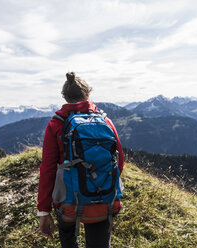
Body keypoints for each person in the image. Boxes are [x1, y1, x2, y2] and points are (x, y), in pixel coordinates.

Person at [37, 72, 124, 248]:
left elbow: (48, 170)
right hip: (103, 200)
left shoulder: (56, 124)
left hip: (68, 204)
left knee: (68, 236)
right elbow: (119, 160)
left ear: (65, 97)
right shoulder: (105, 121)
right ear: (87, 94)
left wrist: (43, 211)